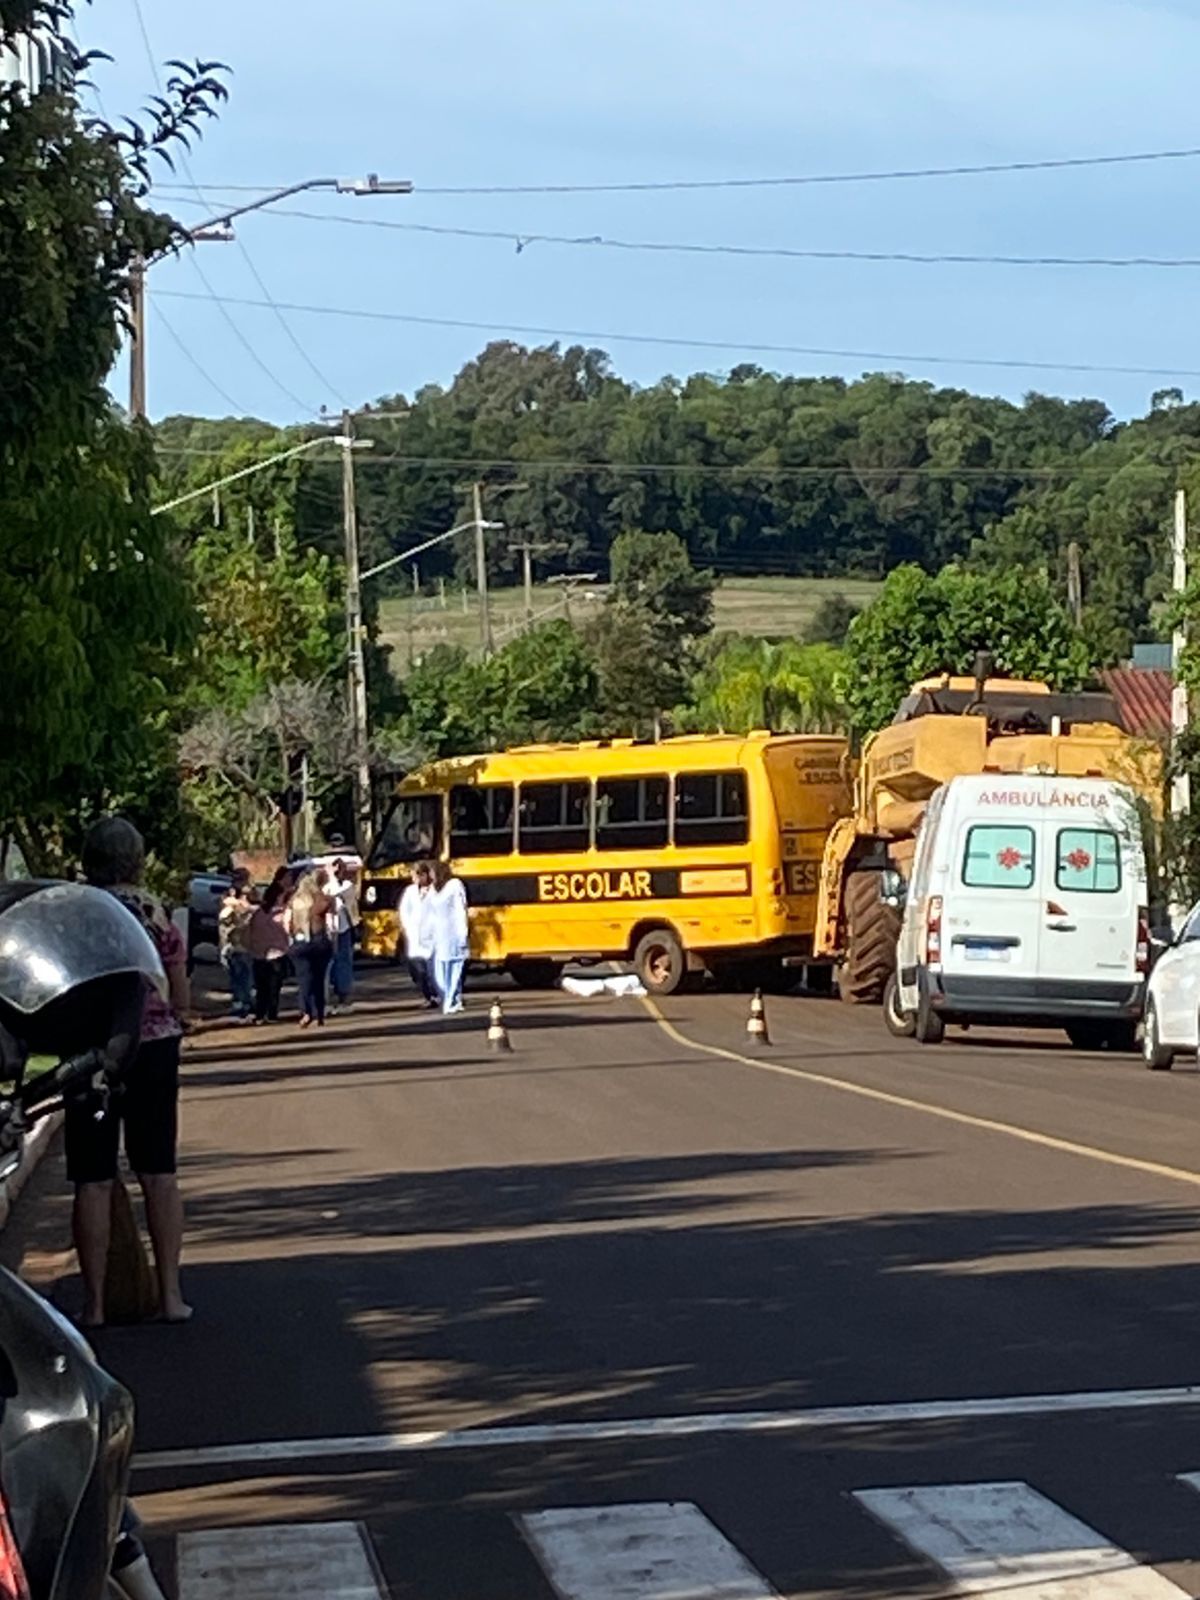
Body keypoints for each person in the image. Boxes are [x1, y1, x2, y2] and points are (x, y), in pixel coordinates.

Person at [74, 816, 192, 1327]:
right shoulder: (154, 912)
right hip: (154, 1047)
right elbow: (177, 985)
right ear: (138, 859)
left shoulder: (76, 912)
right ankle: (169, 1295)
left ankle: (96, 1305)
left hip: (89, 1052)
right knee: (159, 1173)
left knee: (93, 1180)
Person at [285, 867, 333, 1028]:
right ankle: (319, 1013)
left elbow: (286, 923)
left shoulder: (293, 901)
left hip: (299, 943)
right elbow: (332, 924)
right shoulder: (325, 899)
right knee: (319, 979)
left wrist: (292, 937)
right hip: (320, 942)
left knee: (304, 979)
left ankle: (306, 1012)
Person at [249, 866, 291, 1023]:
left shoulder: (258, 914)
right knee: (274, 986)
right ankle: (271, 1013)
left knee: (262, 986)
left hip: (259, 953)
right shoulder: (281, 914)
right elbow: (287, 930)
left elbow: (251, 932)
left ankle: (260, 1014)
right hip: (277, 952)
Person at [430, 860, 470, 1015]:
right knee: (440, 970)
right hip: (440, 935)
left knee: (455, 966)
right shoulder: (434, 890)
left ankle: (452, 1000)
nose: (431, 875)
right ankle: (451, 998)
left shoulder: (455, 885)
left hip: (454, 932)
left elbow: (461, 909)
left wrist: (463, 932)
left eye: (433, 872)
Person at [218, 868, 256, 1020]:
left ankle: (242, 1003)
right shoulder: (231, 901)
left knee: (241, 975)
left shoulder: (242, 900)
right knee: (240, 975)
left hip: (240, 944)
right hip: (234, 945)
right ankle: (242, 1003)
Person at [399, 862, 438, 1007]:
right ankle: (427, 995)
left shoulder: (436, 891)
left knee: (431, 969)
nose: (413, 880)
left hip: (432, 935)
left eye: (415, 876)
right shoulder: (410, 892)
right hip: (414, 935)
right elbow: (404, 910)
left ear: (424, 875)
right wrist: (408, 927)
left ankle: (434, 996)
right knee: (417, 969)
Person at [325, 857, 360, 1013]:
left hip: (344, 928)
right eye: (336, 868)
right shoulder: (326, 887)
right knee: (330, 964)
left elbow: (345, 896)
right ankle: (330, 997)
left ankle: (344, 996)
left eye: (341, 868)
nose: (339, 871)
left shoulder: (348, 886)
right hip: (329, 930)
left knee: (344, 961)